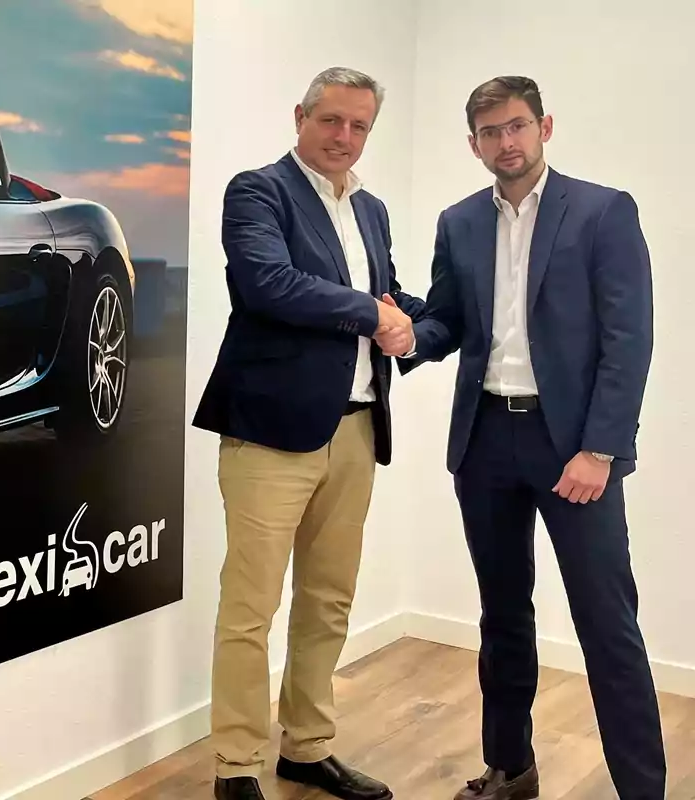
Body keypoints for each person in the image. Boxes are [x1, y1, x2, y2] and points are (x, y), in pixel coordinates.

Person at [392, 75, 665, 800]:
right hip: (485, 443)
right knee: (503, 613)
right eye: (489, 132)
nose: (505, 143)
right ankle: (509, 768)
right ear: (473, 142)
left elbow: (628, 338)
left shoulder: (603, 212)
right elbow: (450, 322)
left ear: (544, 126)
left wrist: (600, 449)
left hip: (572, 446)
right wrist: (405, 336)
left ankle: (643, 788)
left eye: (516, 126)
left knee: (608, 624)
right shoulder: (459, 222)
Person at [192, 66, 422, 800]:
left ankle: (307, 746)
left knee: (328, 601)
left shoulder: (373, 209)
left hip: (355, 428)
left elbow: (393, 301)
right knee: (251, 605)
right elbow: (269, 282)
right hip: (270, 432)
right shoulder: (258, 191)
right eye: (332, 121)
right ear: (301, 115)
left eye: (359, 126)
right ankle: (235, 765)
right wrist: (374, 314)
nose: (344, 138)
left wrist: (442, 322)